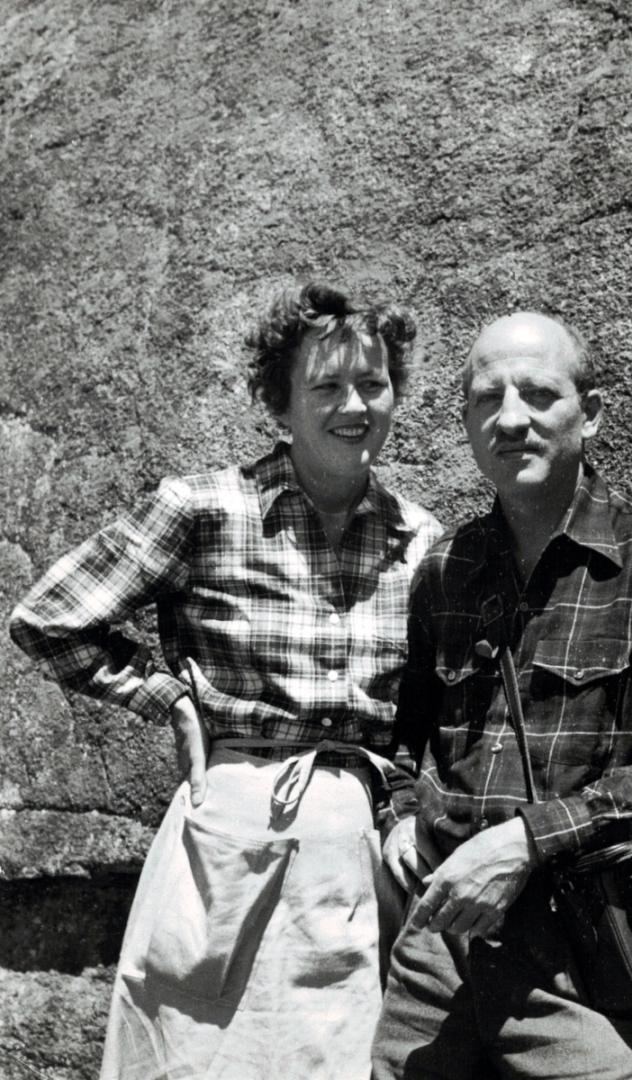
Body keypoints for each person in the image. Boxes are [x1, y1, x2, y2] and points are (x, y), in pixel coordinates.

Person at [9, 281, 443, 1080]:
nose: (355, 404)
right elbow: (49, 617)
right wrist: (164, 698)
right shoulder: (205, 508)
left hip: (357, 850)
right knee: (197, 1056)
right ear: (281, 404)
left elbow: (431, 713)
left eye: (373, 383)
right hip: (227, 838)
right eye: (326, 385)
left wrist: (412, 812)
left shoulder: (422, 541)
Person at [373, 311, 632, 1080]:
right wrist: (402, 816)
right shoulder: (446, 568)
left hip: (596, 966)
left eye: (539, 394)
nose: (511, 418)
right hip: (436, 961)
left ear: (592, 413)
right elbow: (403, 740)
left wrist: (525, 842)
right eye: (488, 399)